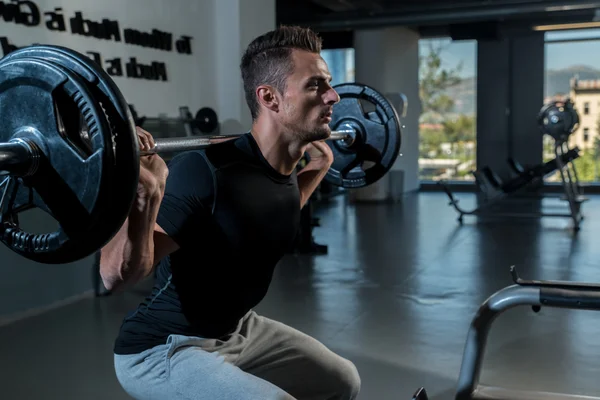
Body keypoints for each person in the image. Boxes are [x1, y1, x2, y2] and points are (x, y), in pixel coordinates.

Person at [99, 25, 361, 400]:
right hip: (165, 348)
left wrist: (318, 169)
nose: (334, 96)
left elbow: (259, 216)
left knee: (342, 381)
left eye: (329, 83)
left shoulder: (283, 168)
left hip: (239, 329)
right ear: (269, 97)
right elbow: (115, 276)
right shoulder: (205, 171)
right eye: (315, 86)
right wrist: (146, 193)